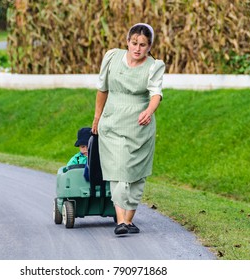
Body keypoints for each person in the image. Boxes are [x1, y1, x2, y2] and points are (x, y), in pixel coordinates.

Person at [91, 23, 165, 235]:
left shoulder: (154, 66)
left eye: (143, 45)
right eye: (134, 43)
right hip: (112, 122)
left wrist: (149, 111)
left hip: (139, 126)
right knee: (119, 170)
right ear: (127, 42)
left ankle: (127, 222)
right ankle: (120, 220)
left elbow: (156, 94)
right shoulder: (112, 57)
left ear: (149, 46)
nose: (137, 48)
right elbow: (102, 89)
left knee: (136, 175)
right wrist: (97, 116)